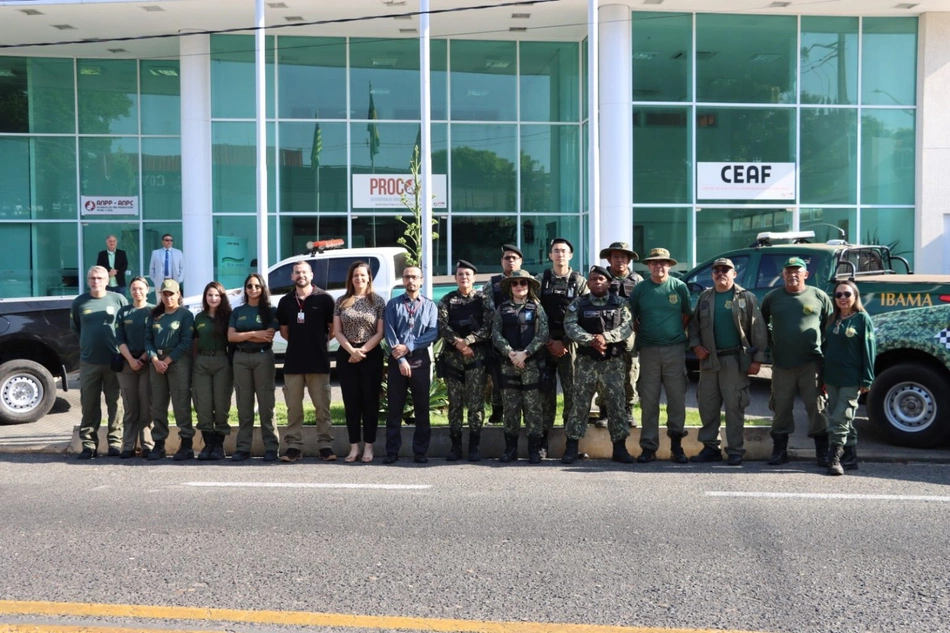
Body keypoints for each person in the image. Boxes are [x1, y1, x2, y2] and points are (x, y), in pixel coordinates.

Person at [688, 258, 768, 466]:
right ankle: (710, 448)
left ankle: (735, 450)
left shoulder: (746, 298)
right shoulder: (705, 297)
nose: (720, 273)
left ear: (734, 274)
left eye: (726, 270)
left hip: (735, 360)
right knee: (707, 405)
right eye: (716, 270)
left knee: (734, 406)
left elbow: (758, 330)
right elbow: (694, 326)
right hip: (709, 361)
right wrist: (696, 346)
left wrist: (757, 360)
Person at [760, 257, 834, 466]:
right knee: (781, 409)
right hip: (782, 364)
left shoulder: (818, 296)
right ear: (783, 275)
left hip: (811, 364)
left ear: (805, 274)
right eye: (788, 271)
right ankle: (780, 451)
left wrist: (823, 352)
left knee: (816, 408)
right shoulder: (772, 297)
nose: (792, 275)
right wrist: (772, 342)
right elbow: (761, 324)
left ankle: (822, 452)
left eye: (797, 271)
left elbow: (829, 325)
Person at [562, 266, 634, 464]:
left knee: (616, 404)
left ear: (609, 282)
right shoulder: (579, 304)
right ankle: (571, 447)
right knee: (580, 404)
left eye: (601, 279)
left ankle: (620, 448)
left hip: (612, 362)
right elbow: (570, 325)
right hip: (587, 362)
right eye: (593, 279)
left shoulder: (620, 303)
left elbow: (627, 326)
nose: (597, 282)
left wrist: (605, 338)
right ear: (589, 283)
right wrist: (591, 340)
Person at [629, 248, 692, 464]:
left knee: (676, 399)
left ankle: (677, 445)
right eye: (654, 263)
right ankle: (648, 447)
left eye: (663, 263)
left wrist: (672, 333)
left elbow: (686, 315)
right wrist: (648, 334)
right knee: (648, 400)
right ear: (648, 266)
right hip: (648, 350)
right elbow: (634, 317)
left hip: (674, 349)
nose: (659, 267)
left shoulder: (679, 287)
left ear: (670, 265)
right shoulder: (640, 289)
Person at [277, 261, 336, 463]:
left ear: (311, 275)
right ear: (292, 277)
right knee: (294, 408)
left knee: (322, 407)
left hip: (318, 362)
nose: (301, 275)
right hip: (293, 362)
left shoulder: (325, 299)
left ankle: (325, 446)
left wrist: (319, 343)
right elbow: (285, 332)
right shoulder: (285, 302)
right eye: (297, 273)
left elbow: (333, 329)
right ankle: (293, 447)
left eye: (304, 272)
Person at [491, 269, 549, 463]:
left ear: (529, 286)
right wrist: (510, 352)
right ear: (510, 287)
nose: (519, 287)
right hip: (509, 363)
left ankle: (534, 449)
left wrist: (525, 353)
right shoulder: (502, 308)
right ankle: (510, 449)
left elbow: (543, 334)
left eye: (523, 283)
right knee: (511, 407)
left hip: (531, 363)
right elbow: (496, 334)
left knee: (533, 407)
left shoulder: (537, 308)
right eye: (515, 284)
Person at [437, 260, 493, 462]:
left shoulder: (483, 299)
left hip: (475, 357)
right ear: (455, 278)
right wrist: (458, 343)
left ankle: (474, 446)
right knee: (455, 403)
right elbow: (442, 325)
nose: (464, 277)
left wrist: (468, 341)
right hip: (453, 358)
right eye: (460, 274)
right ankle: (455, 446)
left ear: (474, 278)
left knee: (476, 403)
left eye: (468, 274)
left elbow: (488, 326)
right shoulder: (447, 299)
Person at [71, 265, 128, 459]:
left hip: (114, 360)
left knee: (116, 402)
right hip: (89, 362)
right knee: (89, 403)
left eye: (100, 278)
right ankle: (88, 444)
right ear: (88, 281)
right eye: (92, 278)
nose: (96, 281)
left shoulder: (118, 299)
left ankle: (115, 443)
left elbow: (125, 327)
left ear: (107, 280)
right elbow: (76, 328)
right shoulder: (79, 302)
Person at [538, 238, 587, 458]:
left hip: (571, 346)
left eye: (564, 251)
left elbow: (585, 314)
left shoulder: (579, 281)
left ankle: (572, 444)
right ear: (550, 256)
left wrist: (565, 342)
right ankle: (541, 443)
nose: (560, 255)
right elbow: (534, 313)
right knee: (544, 396)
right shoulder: (541, 281)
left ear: (571, 255)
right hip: (545, 345)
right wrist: (550, 341)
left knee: (573, 396)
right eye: (556, 251)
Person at [383, 266, 438, 464]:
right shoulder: (393, 305)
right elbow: (389, 333)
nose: (411, 280)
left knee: (422, 408)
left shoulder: (430, 306)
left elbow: (432, 333)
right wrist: (401, 359)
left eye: (414, 277)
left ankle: (421, 452)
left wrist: (408, 347)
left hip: (421, 360)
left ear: (421, 280)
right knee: (394, 409)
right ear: (403, 280)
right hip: (397, 362)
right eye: (407, 277)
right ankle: (392, 452)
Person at [334, 261, 386, 463]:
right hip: (346, 354)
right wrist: (351, 351)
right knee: (351, 402)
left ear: (369, 277)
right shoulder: (341, 301)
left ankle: (369, 447)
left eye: (363, 275)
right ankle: (354, 446)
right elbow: (337, 331)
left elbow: (380, 332)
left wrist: (362, 351)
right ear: (350, 278)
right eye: (355, 275)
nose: (359, 278)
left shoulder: (378, 301)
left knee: (370, 402)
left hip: (370, 354)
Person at [822, 280, 875, 475]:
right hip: (832, 377)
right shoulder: (832, 319)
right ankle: (851, 457)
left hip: (851, 378)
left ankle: (834, 458)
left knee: (840, 419)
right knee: (842, 417)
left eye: (847, 294)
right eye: (838, 295)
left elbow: (869, 351)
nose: (843, 298)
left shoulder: (862, 319)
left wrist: (867, 378)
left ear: (855, 296)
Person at [228, 273, 279, 462]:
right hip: (241, 358)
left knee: (266, 405)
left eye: (257, 286)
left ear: (263, 288)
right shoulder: (238, 311)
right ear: (245, 289)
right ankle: (243, 448)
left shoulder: (271, 311)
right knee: (244, 405)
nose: (253, 289)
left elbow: (268, 336)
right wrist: (254, 333)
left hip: (262, 357)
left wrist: (244, 334)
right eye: (249, 286)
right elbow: (231, 337)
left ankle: (272, 447)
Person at [144, 279, 195, 461]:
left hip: (178, 362)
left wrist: (168, 360)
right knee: (158, 404)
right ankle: (159, 444)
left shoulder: (185, 315)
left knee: (181, 403)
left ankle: (187, 443)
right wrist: (155, 359)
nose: (168, 298)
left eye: (171, 294)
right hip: (157, 363)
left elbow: (186, 341)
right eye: (164, 294)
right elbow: (147, 339)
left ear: (178, 294)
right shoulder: (155, 315)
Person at [595, 241, 643, 429]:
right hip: (605, 331)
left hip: (629, 333)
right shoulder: (601, 278)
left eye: (624, 257)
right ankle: (604, 411)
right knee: (604, 372)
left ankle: (627, 410)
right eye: (616, 256)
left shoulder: (637, 280)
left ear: (629, 260)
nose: (620, 260)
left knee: (630, 370)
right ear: (609, 258)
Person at [482, 244, 525, 425]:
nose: (510, 261)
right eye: (507, 258)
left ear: (520, 262)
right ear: (502, 262)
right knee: (498, 377)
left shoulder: (528, 280)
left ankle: (524, 411)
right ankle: (498, 409)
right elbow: (489, 310)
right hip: (500, 338)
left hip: (524, 337)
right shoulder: (492, 284)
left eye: (514, 258)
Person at [192, 281, 233, 461]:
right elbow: (194, 342)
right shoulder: (199, 318)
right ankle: (208, 443)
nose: (213, 298)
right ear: (205, 297)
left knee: (221, 403)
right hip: (201, 361)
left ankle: (219, 445)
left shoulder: (228, 317)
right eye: (210, 295)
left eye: (217, 295)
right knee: (203, 404)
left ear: (222, 297)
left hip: (222, 360)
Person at [115, 276, 155, 458]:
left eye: (140, 288)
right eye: (134, 289)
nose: (137, 292)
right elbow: (120, 339)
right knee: (130, 406)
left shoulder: (154, 311)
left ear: (147, 290)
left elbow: (155, 338)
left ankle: (147, 445)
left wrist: (144, 357)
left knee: (146, 406)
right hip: (127, 364)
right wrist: (131, 359)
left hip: (148, 363)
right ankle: (128, 445)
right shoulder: (124, 312)